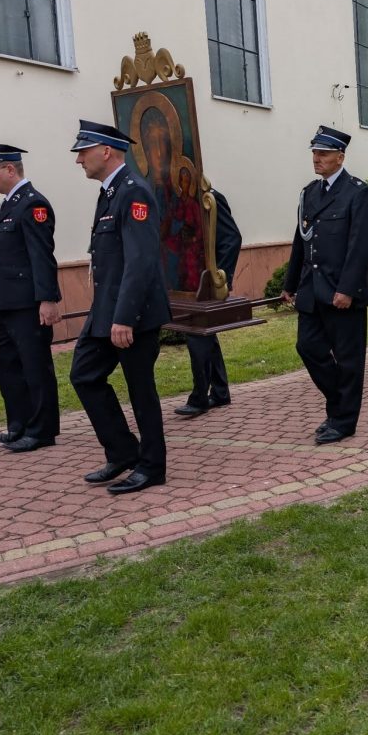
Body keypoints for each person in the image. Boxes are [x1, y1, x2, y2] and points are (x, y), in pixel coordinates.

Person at [69, 120, 172, 495]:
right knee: (84, 375)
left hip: (134, 315)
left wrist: (125, 318)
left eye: (83, 151)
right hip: (107, 310)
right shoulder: (109, 193)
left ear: (106, 151)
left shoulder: (134, 193)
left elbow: (141, 262)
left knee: (141, 390)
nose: (79, 159)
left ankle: (152, 466)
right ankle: (123, 450)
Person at [281, 126, 368, 445]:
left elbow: (360, 245)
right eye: (314, 153)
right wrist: (290, 283)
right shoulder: (309, 192)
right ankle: (339, 405)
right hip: (311, 289)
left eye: (322, 153)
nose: (316, 159)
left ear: (340, 156)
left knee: (349, 359)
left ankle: (344, 420)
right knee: (307, 347)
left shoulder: (357, 192)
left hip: (341, 291)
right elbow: (300, 240)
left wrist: (347, 289)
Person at [0, 143, 62, 453]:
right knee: (3, 360)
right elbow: (2, 255)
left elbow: (41, 256)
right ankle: (19, 425)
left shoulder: (32, 204)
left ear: (10, 169)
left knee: (34, 365)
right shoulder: (6, 205)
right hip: (5, 301)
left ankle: (41, 430)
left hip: (28, 303)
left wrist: (48, 299)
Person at [173, 188, 242, 418]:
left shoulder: (208, 198)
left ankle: (200, 397)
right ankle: (220, 392)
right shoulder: (175, 200)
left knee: (197, 334)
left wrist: (219, 278)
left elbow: (232, 238)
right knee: (204, 334)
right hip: (185, 278)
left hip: (205, 280)